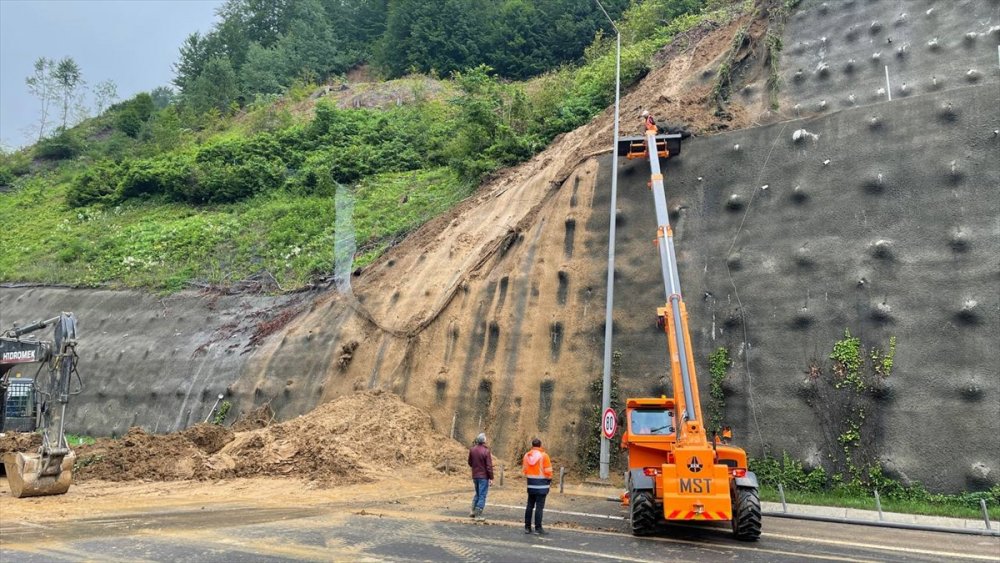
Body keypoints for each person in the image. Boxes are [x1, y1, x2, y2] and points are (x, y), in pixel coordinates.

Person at [522, 437, 553, 534]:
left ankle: (527, 527)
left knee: (529, 506)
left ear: (532, 445)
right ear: (540, 445)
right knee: (539, 507)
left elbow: (524, 470)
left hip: (531, 484)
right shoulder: (544, 456)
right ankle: (538, 528)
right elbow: (548, 472)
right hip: (542, 486)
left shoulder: (527, 456)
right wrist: (549, 481)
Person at [467, 432, 493, 521]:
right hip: (483, 476)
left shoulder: (472, 450)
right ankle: (478, 514)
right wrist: (491, 478)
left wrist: (475, 468)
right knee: (482, 495)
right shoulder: (486, 451)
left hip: (475, 475)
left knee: (477, 493)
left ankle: (472, 511)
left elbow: (470, 462)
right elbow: (489, 466)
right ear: (484, 441)